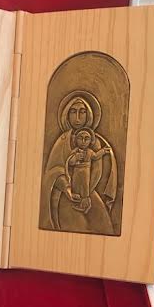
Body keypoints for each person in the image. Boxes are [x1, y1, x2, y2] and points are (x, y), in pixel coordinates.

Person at [41, 92, 116, 235]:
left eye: (82, 112)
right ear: (66, 114)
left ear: (88, 115)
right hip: (66, 193)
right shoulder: (62, 141)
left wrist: (85, 194)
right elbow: (53, 170)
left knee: (103, 226)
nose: (77, 118)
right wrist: (68, 189)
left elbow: (97, 171)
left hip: (88, 191)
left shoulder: (94, 141)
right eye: (73, 112)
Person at [64, 128, 111, 215]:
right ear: (75, 140)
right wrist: (75, 158)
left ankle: (85, 205)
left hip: (86, 174)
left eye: (86, 139)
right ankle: (76, 203)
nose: (83, 141)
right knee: (76, 187)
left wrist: (103, 151)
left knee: (85, 190)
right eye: (80, 138)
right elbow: (70, 162)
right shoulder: (75, 152)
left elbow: (96, 156)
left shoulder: (90, 152)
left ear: (90, 141)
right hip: (76, 173)